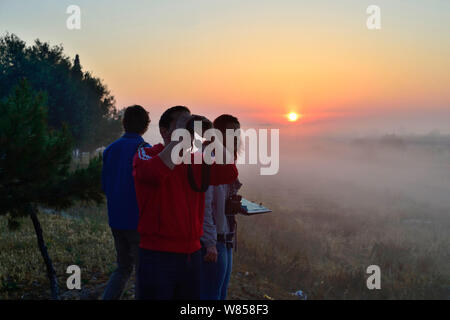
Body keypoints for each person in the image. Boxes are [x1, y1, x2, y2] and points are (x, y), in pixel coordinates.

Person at [133, 106, 238, 300]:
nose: (188, 129)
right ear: (164, 131)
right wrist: (178, 140)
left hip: (192, 254)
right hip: (158, 255)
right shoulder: (147, 154)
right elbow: (152, 174)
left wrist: (212, 136)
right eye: (182, 123)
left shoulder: (195, 162)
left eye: (189, 123)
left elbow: (229, 172)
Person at [101, 105, 151, 300]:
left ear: (124, 123)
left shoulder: (110, 149)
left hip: (116, 219)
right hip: (138, 221)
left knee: (122, 268)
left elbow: (105, 185)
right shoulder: (145, 150)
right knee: (143, 273)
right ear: (145, 126)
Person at [200, 114, 242, 300]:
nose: (235, 138)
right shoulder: (209, 159)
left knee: (221, 292)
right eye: (230, 133)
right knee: (212, 294)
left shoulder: (225, 159)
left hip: (225, 235)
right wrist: (209, 243)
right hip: (214, 238)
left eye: (236, 134)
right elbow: (204, 206)